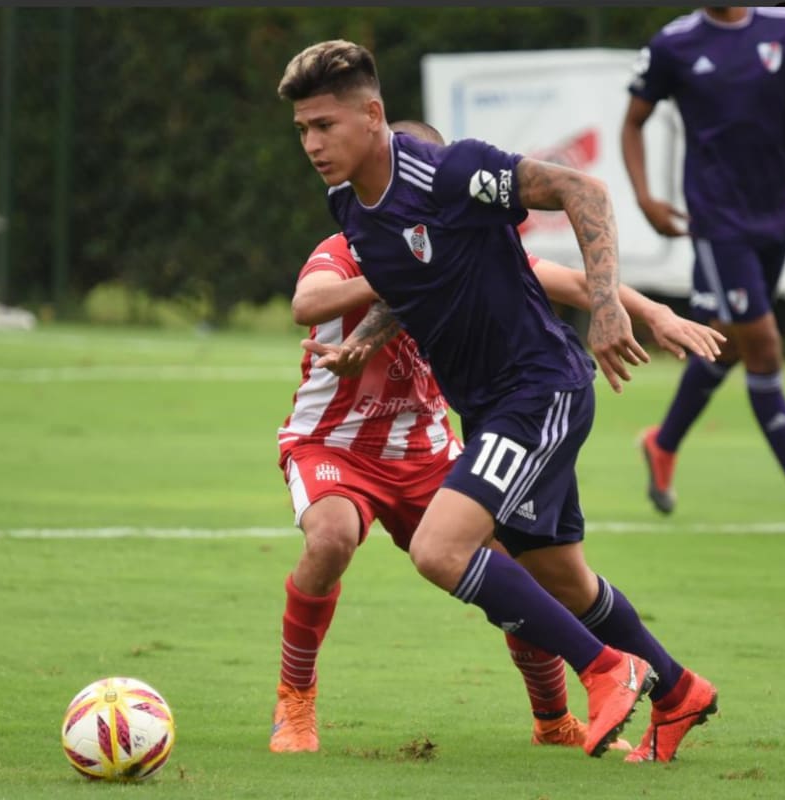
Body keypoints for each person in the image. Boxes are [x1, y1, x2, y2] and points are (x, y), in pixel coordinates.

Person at [278, 40, 718, 762]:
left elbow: (585, 191)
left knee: (440, 549)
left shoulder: (454, 171)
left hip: (538, 387)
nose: (312, 143)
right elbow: (412, 278)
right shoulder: (348, 204)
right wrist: (370, 338)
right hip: (490, 408)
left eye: (324, 124)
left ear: (372, 114)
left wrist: (612, 307)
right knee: (562, 577)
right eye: (303, 129)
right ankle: (676, 692)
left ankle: (608, 671)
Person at [621, 6, 785, 533]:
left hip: (775, 218)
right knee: (763, 342)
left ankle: (662, 444)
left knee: (729, 341)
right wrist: (645, 198)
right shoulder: (673, 44)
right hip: (716, 220)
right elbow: (633, 123)